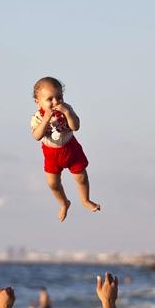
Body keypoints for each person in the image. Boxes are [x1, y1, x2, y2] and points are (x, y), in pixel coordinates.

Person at [30, 77, 100, 222]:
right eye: (50, 99)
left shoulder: (67, 109)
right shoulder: (37, 117)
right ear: (38, 102)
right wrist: (46, 120)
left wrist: (68, 114)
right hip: (51, 154)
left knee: (81, 177)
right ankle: (64, 203)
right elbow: (37, 136)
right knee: (52, 183)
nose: (55, 102)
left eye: (59, 97)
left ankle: (85, 199)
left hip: (70, 148)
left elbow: (76, 126)